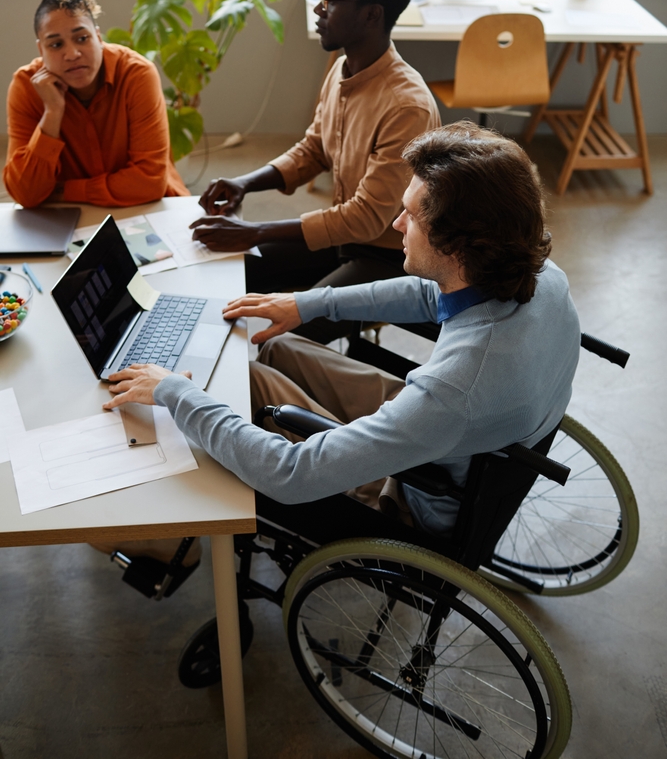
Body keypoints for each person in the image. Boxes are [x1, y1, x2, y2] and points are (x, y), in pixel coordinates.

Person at [103, 122, 581, 537]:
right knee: (274, 346)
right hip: (461, 443)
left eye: (411, 216)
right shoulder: (539, 275)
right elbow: (429, 294)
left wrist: (175, 393)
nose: (396, 223)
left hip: (411, 493)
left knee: (237, 384)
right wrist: (307, 304)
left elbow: (292, 474)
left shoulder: (454, 391)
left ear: (457, 245)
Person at [191, 0, 441, 342]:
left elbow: (366, 218)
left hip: (392, 258)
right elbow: (314, 149)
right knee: (232, 269)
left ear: (371, 15)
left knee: (286, 341)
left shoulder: (405, 105)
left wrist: (257, 231)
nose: (318, 8)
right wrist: (245, 183)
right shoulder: (344, 67)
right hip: (344, 238)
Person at [3, 0, 188, 208]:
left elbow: (149, 182)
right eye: (56, 44)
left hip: (147, 207)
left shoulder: (136, 74)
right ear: (41, 51)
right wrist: (52, 113)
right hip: (68, 217)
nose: (72, 54)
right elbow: (25, 193)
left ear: (98, 37)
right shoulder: (26, 86)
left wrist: (62, 190)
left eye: (82, 38)